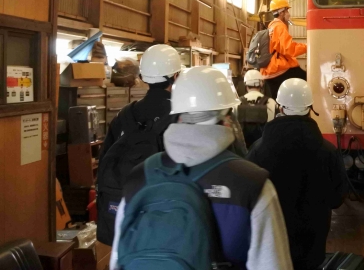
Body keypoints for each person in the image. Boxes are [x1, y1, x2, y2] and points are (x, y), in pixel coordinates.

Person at [110, 66, 293, 270]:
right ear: (227, 116)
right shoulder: (251, 184)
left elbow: (118, 260)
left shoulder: (138, 178)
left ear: (177, 113)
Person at [248, 79, 348, 270]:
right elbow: (337, 198)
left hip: (271, 250)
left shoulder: (258, 150)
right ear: (310, 107)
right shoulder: (328, 151)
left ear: (280, 107)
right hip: (312, 250)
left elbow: (248, 198)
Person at [96, 44, 181, 245]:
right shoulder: (182, 116)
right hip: (165, 219)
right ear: (176, 76)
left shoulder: (124, 116)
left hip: (124, 216)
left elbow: (104, 159)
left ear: (142, 77)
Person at [261, 0, 307, 96]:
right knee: (306, 80)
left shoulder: (272, 26)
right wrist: (307, 47)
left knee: (277, 99)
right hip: (278, 68)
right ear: (282, 12)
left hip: (270, 70)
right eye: (287, 10)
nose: (288, 13)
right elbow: (288, 48)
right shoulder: (279, 26)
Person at [238, 69, 277, 148]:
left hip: (244, 149)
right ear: (261, 83)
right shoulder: (271, 102)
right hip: (264, 147)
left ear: (245, 84)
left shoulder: (237, 103)